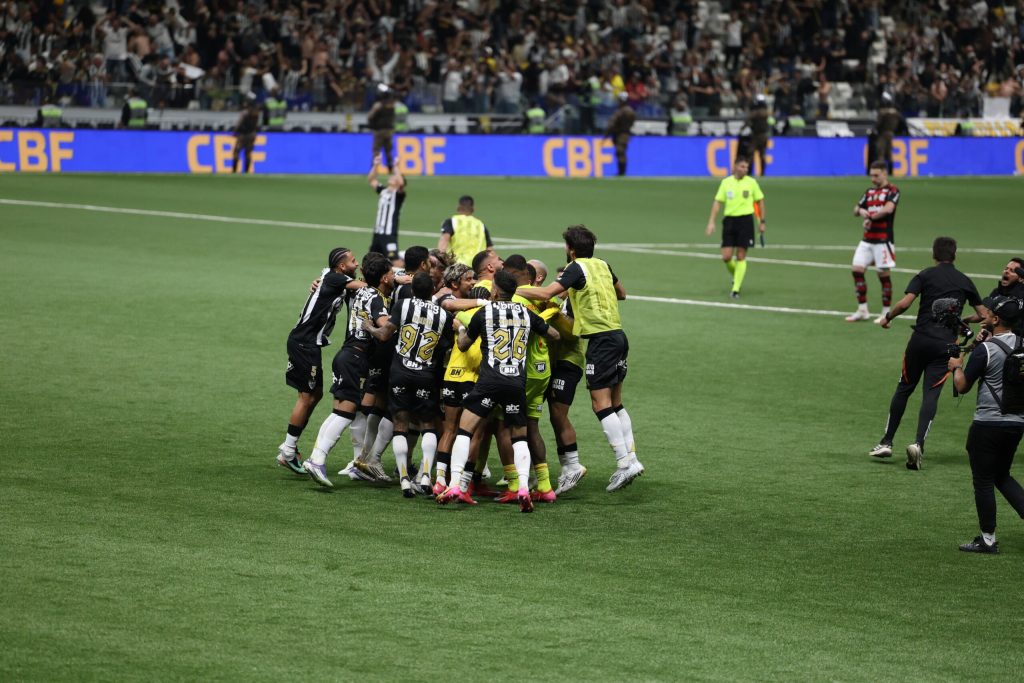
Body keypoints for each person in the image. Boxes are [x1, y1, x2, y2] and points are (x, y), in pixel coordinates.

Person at [516, 225, 643, 492]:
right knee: (616, 403)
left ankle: (624, 463)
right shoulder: (603, 265)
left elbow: (545, 294)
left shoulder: (576, 267)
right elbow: (622, 293)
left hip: (601, 340)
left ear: (571, 249)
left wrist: (514, 290)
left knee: (600, 404)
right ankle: (631, 459)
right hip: (618, 336)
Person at [439, 270, 560, 512]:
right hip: (516, 382)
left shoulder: (484, 313)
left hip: (489, 381)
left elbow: (463, 345)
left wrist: (461, 329)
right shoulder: (526, 313)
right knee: (519, 436)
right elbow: (554, 335)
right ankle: (523, 488)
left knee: (465, 431)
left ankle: (455, 485)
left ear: (495, 291)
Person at [870, 237, 987, 470]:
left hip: (920, 341)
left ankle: (886, 442)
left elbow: (905, 303)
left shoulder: (925, 274)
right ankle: (918, 445)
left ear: (934, 254)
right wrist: (964, 320)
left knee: (904, 388)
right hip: (945, 346)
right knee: (930, 395)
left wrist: (888, 317)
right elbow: (984, 314)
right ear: (954, 255)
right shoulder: (964, 280)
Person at [302, 253, 394, 487]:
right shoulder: (376, 298)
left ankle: (348, 462)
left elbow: (332, 276)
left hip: (349, 355)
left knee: (342, 412)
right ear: (384, 278)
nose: (394, 276)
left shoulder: (358, 291)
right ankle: (317, 460)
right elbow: (385, 327)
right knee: (344, 413)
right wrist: (405, 319)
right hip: (355, 357)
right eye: (391, 273)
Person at [362, 272, 451, 498]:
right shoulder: (443, 314)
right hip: (426, 374)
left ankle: (403, 479)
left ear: (413, 290)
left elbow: (384, 335)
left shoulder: (403, 305)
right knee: (427, 424)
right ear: (432, 291)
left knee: (400, 423)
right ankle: (425, 475)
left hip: (400, 372)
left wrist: (369, 327)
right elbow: (446, 346)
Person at [947, 296, 1024, 553]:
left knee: (983, 480)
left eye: (989, 313)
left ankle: (988, 539)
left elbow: (962, 386)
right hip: (1016, 423)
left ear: (997, 319)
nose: (985, 315)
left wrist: (956, 366)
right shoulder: (1022, 344)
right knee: (1002, 475)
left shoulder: (986, 349)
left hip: (988, 424)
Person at [276, 248, 363, 473]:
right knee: (306, 397)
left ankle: (289, 446)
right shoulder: (336, 278)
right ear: (342, 267)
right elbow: (365, 287)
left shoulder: (330, 276)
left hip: (308, 344)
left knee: (315, 394)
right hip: (304, 344)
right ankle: (288, 451)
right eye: (353, 261)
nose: (357, 263)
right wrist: (395, 279)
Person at [846, 161, 900, 323]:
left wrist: (870, 218)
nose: (873, 179)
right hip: (867, 240)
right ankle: (862, 310)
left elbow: (888, 209)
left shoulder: (892, 190)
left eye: (876, 175)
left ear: (885, 173)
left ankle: (886, 312)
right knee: (857, 270)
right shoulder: (869, 192)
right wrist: (861, 211)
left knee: (883, 275)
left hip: (883, 240)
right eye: (871, 175)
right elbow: (856, 209)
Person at [704, 157, 766, 299]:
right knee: (726, 257)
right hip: (730, 221)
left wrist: (762, 222)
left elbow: (760, 202)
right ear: (735, 167)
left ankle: (735, 289)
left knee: (741, 256)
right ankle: (737, 276)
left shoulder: (752, 183)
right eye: (743, 167)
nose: (745, 169)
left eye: (747, 167)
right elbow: (717, 202)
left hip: (746, 221)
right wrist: (711, 222)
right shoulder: (726, 183)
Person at [367, 155, 406, 261]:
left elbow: (401, 183)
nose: (392, 177)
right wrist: (376, 165)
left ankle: (407, 272)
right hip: (377, 234)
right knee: (371, 260)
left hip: (389, 234)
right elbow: (371, 180)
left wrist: (396, 166)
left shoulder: (398, 195)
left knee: (395, 261)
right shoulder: (383, 191)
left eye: (395, 177)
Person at [437, 195, 493, 267]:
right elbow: (490, 251)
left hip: (457, 267)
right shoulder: (481, 225)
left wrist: (439, 260)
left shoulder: (452, 221)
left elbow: (443, 243)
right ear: (473, 209)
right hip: (477, 267)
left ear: (458, 207)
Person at [367, 84, 396, 171]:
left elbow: (370, 116)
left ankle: (374, 168)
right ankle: (390, 167)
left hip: (379, 130)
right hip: (389, 131)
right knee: (388, 150)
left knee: (376, 150)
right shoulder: (392, 105)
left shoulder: (378, 105)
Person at [873, 92, 903, 174]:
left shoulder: (882, 113)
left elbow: (878, 124)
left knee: (880, 153)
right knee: (889, 154)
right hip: (891, 134)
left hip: (883, 134)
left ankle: (881, 171)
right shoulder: (896, 113)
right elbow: (901, 123)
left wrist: (874, 130)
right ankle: (891, 171)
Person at [606, 92, 636, 176]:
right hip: (622, 133)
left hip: (622, 134)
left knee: (620, 151)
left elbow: (612, 124)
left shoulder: (622, 111)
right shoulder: (628, 111)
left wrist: (608, 133)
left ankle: (622, 171)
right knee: (620, 152)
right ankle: (621, 171)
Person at [743, 94, 771, 175]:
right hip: (761, 135)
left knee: (752, 153)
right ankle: (760, 172)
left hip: (757, 135)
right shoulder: (765, 113)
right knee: (760, 154)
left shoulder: (756, 113)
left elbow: (748, 121)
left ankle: (752, 172)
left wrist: (743, 128)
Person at [232, 94, 261, 174]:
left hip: (243, 134)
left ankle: (234, 171)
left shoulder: (245, 113)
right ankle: (246, 171)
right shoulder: (256, 112)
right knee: (248, 153)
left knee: (236, 151)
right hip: (252, 134)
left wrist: (235, 132)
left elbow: (240, 123)